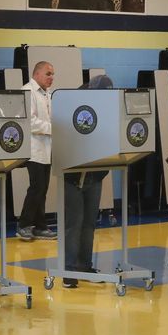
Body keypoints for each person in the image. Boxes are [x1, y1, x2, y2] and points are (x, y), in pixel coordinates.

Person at [62, 74, 113, 288]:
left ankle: (84, 266)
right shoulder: (74, 106)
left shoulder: (105, 107)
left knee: (90, 223)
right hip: (73, 174)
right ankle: (69, 271)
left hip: (96, 172)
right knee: (74, 224)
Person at [18, 61, 57, 241]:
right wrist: (53, 128)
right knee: (37, 188)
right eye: (48, 74)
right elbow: (29, 121)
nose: (51, 78)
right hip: (33, 149)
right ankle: (23, 225)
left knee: (43, 188)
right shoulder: (27, 91)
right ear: (37, 74)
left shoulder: (47, 94)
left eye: (52, 74)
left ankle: (40, 226)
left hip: (46, 149)